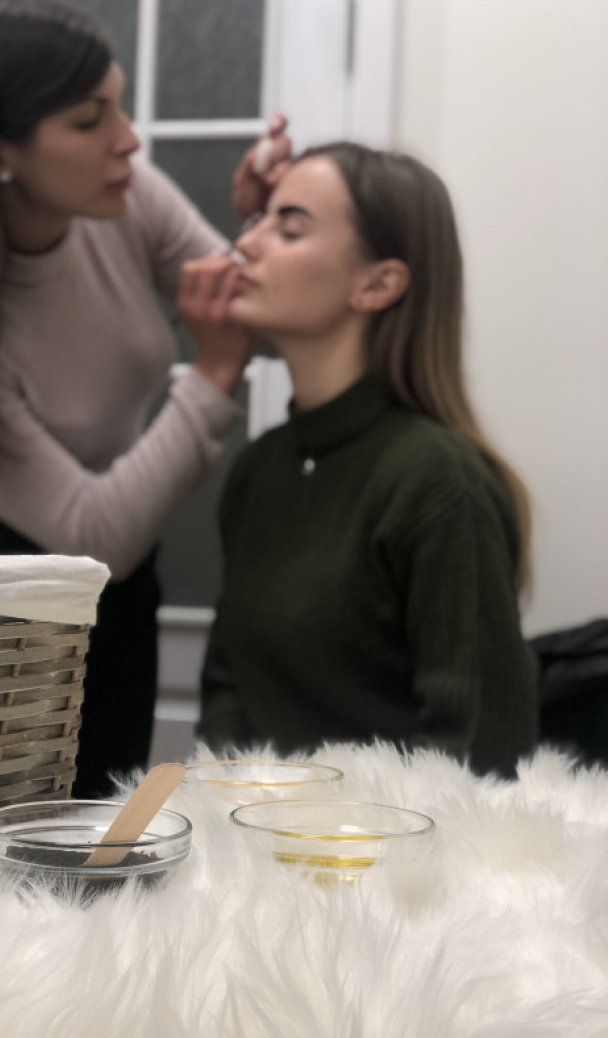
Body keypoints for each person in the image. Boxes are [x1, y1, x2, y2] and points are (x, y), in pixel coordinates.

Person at [0, 0, 291, 797]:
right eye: (89, 119)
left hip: (121, 597)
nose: (128, 139)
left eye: (120, 106)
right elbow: (96, 534)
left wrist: (269, 228)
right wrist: (211, 373)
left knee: (102, 840)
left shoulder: (128, 198)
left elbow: (265, 325)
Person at [178, 141, 539, 777]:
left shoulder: (437, 479)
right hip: (250, 832)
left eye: (289, 228)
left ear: (378, 284)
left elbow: (479, 752)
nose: (247, 244)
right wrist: (227, 812)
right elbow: (228, 695)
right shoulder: (260, 469)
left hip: (391, 837)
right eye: (258, 222)